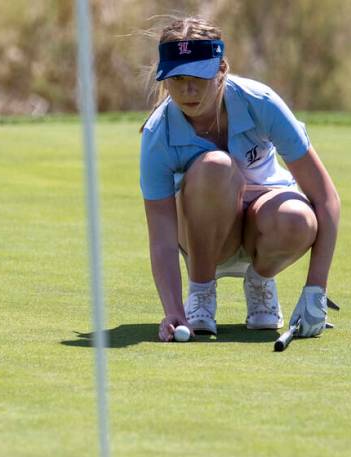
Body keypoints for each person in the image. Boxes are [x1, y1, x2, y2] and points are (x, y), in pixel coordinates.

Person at [139, 16, 340, 342]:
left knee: (297, 218)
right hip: (200, 237)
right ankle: (201, 292)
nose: (188, 90)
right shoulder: (157, 134)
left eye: (199, 77)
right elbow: (161, 238)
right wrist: (173, 308)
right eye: (177, 79)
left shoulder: (260, 102)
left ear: (221, 70)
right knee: (215, 166)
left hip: (266, 226)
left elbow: (325, 197)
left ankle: (260, 281)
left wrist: (316, 288)